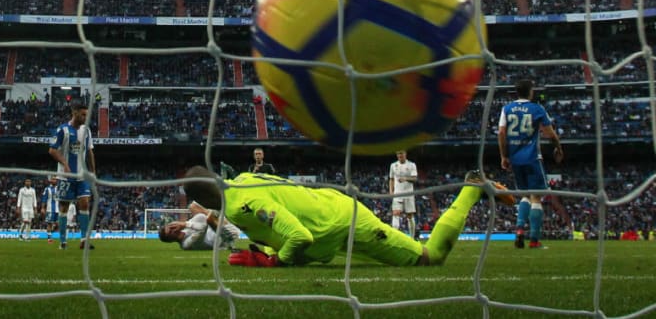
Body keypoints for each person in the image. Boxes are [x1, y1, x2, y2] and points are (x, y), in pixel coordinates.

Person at [182, 167, 514, 267]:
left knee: (432, 257)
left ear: (202, 200)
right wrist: (269, 250)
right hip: (330, 219)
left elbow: (300, 238)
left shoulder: (245, 204)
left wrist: (276, 261)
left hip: (344, 222)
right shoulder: (242, 179)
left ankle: (471, 187)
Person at [498, 79, 563, 249]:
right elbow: (550, 133)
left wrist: (504, 156)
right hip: (533, 157)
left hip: (516, 159)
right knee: (536, 197)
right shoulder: (537, 109)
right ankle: (534, 240)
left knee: (525, 196)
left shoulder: (507, 109)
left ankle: (519, 230)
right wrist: (558, 148)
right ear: (531, 92)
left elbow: (502, 133)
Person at [48, 104, 96, 250]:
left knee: (85, 204)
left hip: (81, 175)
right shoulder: (62, 130)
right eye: (82, 114)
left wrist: (93, 172)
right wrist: (65, 163)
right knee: (64, 207)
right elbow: (52, 150)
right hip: (65, 176)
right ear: (74, 113)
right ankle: (63, 241)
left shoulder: (86, 130)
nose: (85, 117)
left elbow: (89, 152)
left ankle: (84, 240)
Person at [159, 201, 240, 250]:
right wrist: (185, 224)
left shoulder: (185, 229)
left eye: (171, 226)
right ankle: (223, 206)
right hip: (228, 235)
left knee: (193, 206)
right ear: (170, 240)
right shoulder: (186, 244)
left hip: (220, 224)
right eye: (170, 231)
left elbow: (201, 218)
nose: (173, 228)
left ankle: (221, 206)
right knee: (209, 218)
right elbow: (203, 227)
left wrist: (185, 224)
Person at [388, 150, 419, 239]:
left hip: (409, 193)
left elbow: (415, 178)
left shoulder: (412, 165)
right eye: (398, 153)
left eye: (401, 153)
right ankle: (395, 237)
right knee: (396, 213)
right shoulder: (393, 165)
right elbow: (391, 179)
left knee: (410, 215)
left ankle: (412, 238)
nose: (399, 155)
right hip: (397, 193)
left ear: (405, 154)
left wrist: (405, 178)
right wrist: (391, 190)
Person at [41, 176, 59, 243]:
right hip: (50, 209)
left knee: (58, 224)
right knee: (49, 224)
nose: (54, 180)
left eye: (55, 179)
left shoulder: (59, 188)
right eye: (53, 179)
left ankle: (51, 233)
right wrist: (43, 208)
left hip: (58, 209)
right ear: (50, 180)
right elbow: (44, 199)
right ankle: (49, 239)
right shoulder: (47, 189)